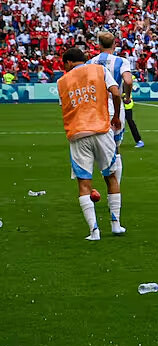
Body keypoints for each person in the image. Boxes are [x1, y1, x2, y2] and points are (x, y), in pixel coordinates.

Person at [56, 48, 125, 241]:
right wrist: (117, 116)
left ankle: (94, 231)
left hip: (78, 134)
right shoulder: (99, 70)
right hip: (101, 129)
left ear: (69, 63)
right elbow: (116, 92)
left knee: (84, 184)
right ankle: (116, 224)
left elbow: (64, 106)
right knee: (111, 176)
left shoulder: (62, 82)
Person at [86, 32, 134, 182]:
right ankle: (115, 188)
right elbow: (128, 81)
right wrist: (126, 96)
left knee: (94, 146)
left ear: (99, 45)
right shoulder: (121, 61)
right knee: (116, 148)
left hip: (95, 107)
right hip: (115, 106)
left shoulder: (90, 62)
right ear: (114, 44)